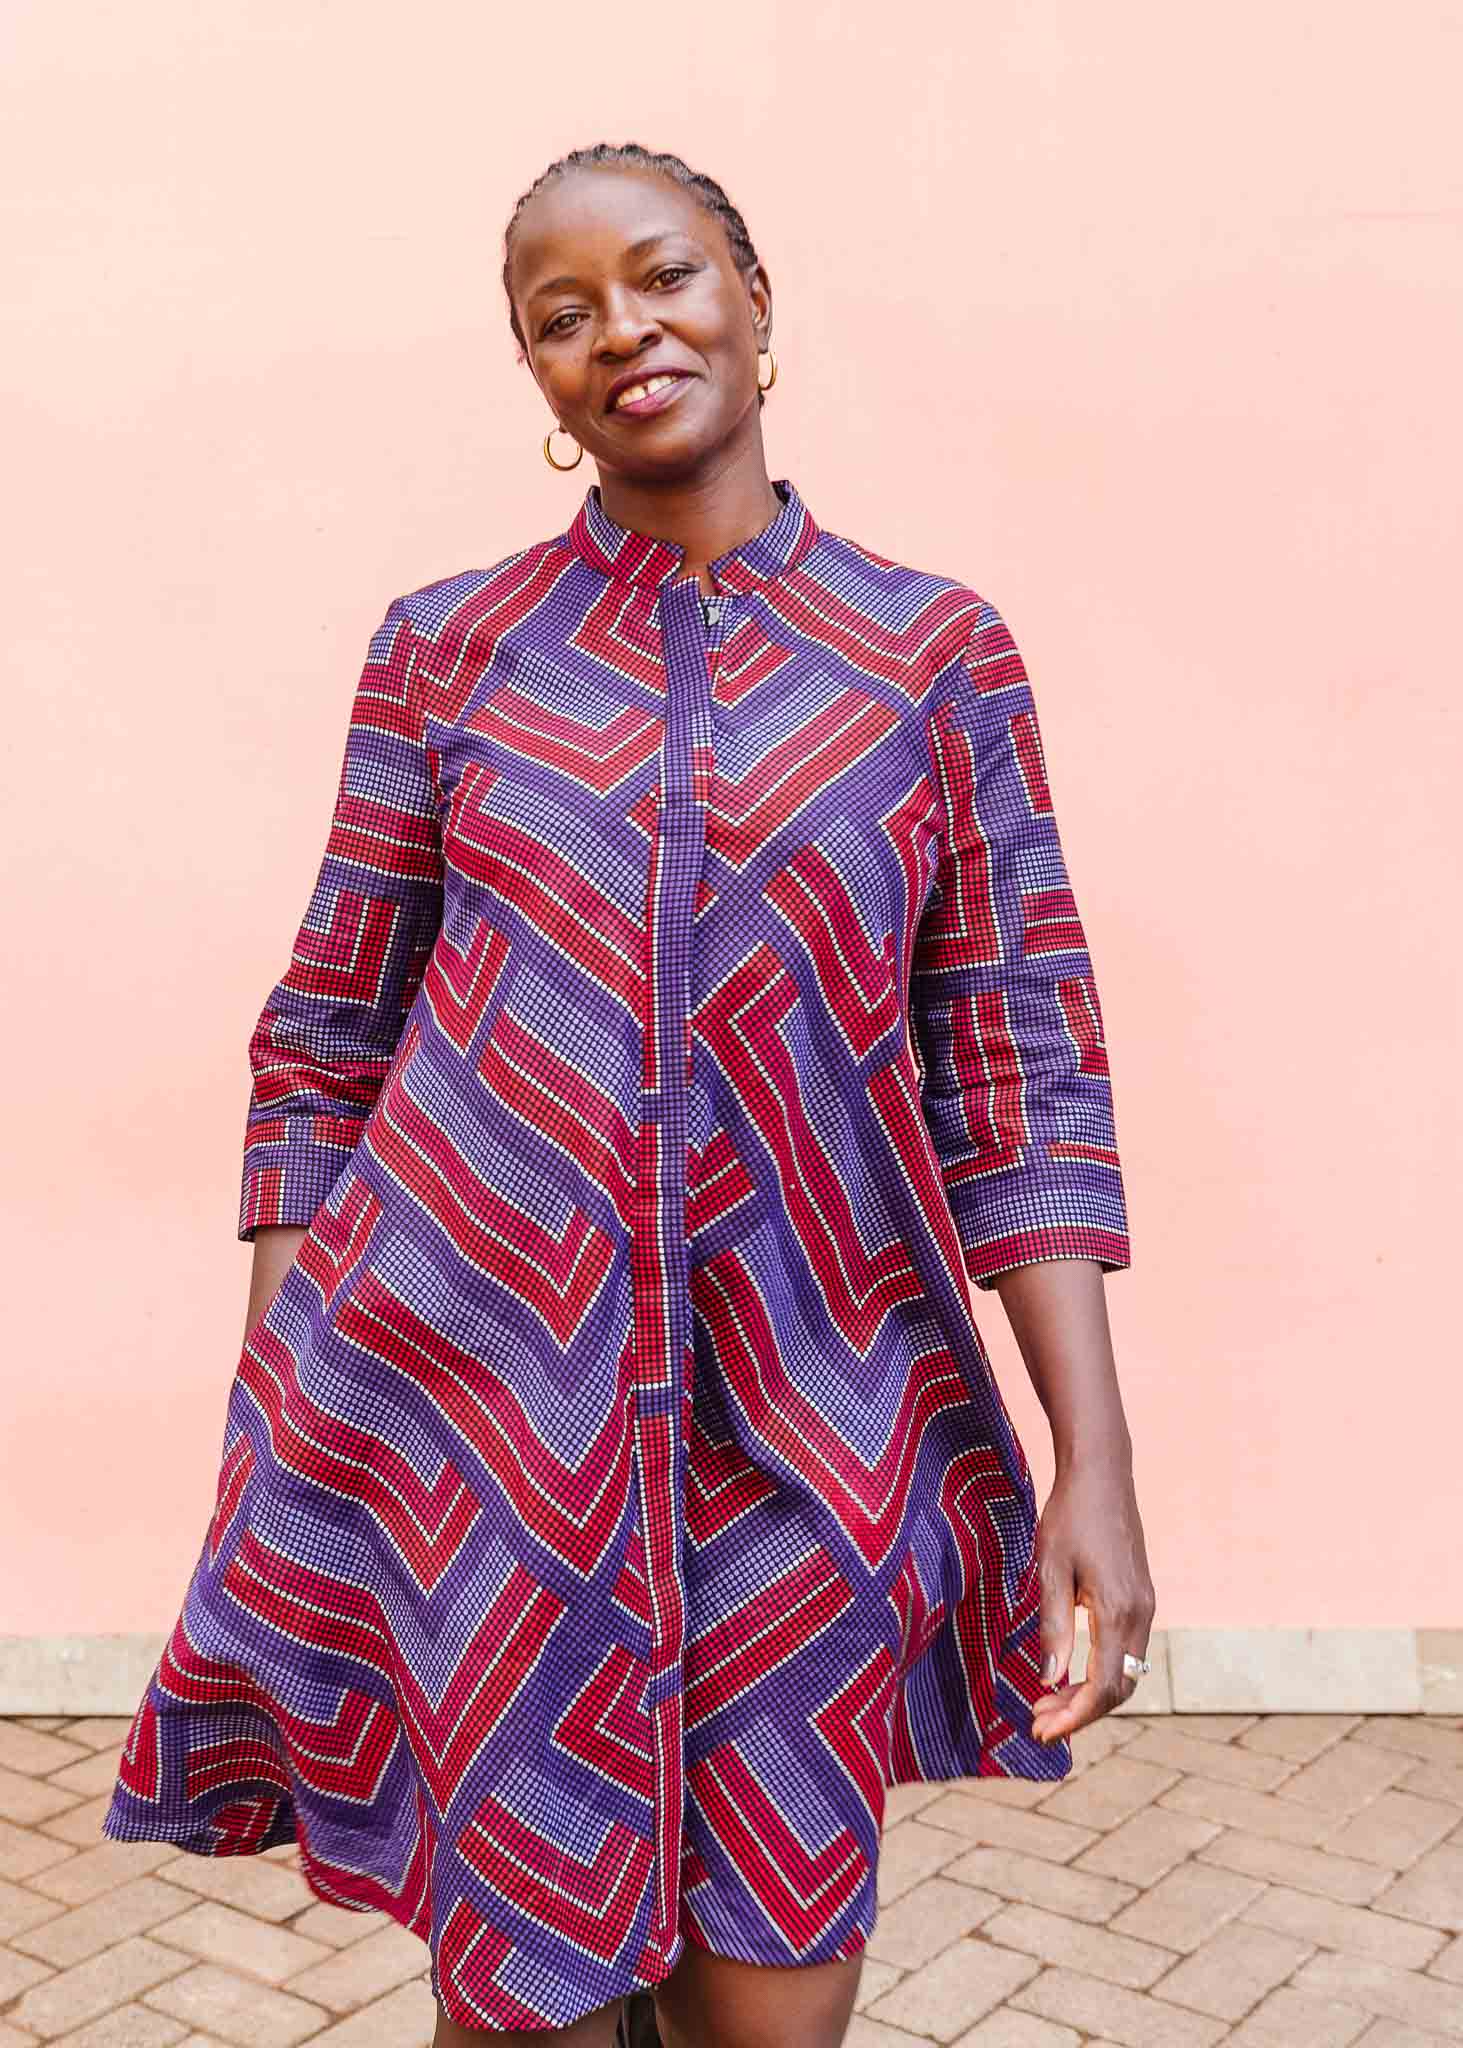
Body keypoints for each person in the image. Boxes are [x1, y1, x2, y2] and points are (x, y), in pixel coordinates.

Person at [102, 141, 1155, 2048]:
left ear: (756, 297)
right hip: (494, 1443)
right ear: (534, 376)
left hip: (811, 1428)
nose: (621, 335)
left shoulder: (932, 657)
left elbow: (1019, 1059)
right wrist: (281, 1407)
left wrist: (1098, 1460)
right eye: (559, 316)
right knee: (527, 2015)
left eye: (662, 279)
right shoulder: (449, 652)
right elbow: (328, 1040)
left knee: (772, 2009)